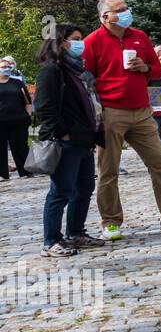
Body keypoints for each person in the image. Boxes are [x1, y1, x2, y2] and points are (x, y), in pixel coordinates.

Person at [81, 0, 161, 238]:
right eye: (120, 10)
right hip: (111, 112)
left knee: (160, 164)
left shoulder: (140, 36)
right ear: (105, 17)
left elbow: (158, 69)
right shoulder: (92, 42)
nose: (127, 12)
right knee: (108, 170)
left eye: (127, 8)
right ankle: (111, 222)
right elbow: (84, 79)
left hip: (143, 111)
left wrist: (144, 67)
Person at [33, 25, 105, 257]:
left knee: (84, 188)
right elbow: (44, 107)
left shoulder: (77, 72)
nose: (80, 44)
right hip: (66, 141)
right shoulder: (51, 71)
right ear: (61, 42)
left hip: (84, 141)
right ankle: (51, 240)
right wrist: (63, 133)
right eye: (75, 39)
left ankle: (75, 232)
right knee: (61, 190)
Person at [0, 54, 34, 181]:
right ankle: (2, 173)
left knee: (20, 146)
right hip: (1, 122)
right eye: (3, 67)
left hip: (19, 120)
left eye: (8, 66)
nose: (6, 68)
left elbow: (27, 101)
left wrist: (28, 115)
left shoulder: (17, 82)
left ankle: (25, 171)